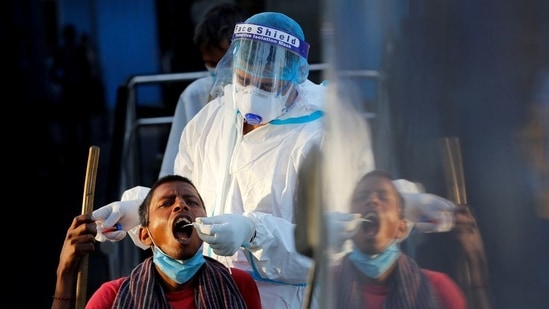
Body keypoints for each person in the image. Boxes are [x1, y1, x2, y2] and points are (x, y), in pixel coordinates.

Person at [92, 11, 456, 309]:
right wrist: (136, 209)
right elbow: (185, 195)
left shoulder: (327, 132)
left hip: (287, 297)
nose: (251, 95)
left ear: (294, 77)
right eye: (244, 80)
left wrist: (253, 231)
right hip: (213, 291)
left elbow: (339, 234)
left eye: (266, 86)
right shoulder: (212, 118)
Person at [52, 175, 261, 309]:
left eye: (191, 202)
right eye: (167, 203)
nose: (181, 205)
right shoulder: (112, 297)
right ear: (145, 235)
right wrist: (65, 273)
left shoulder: (238, 286)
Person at [330, 170, 467, 308]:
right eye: (361, 196)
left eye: (383, 197)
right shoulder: (323, 283)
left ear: (401, 228)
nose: (372, 200)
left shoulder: (438, 289)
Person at [159, 3, 250, 177]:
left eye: (226, 61)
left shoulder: (266, 96)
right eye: (211, 64)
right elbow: (172, 169)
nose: (219, 70)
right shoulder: (194, 96)